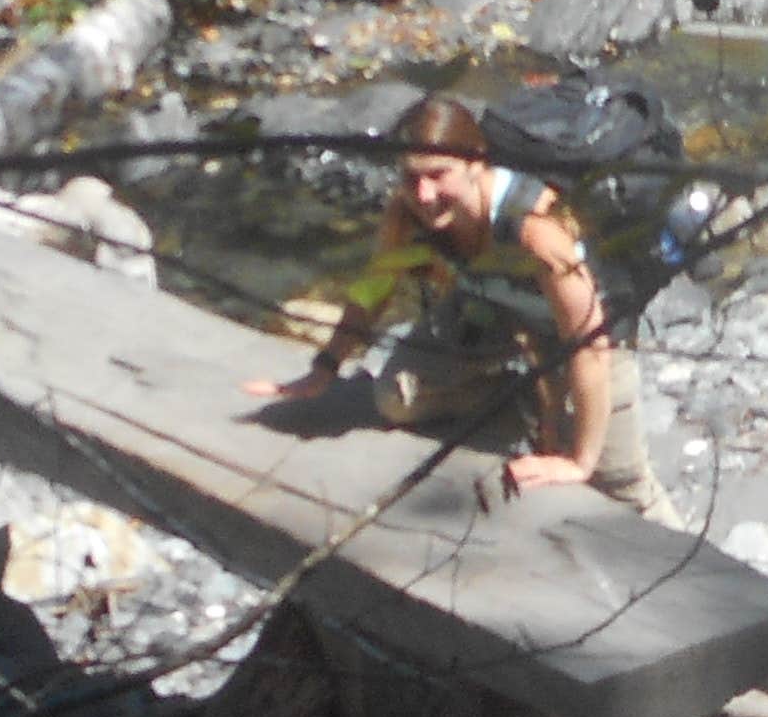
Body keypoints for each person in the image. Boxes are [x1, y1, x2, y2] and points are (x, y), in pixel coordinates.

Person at [244, 94, 669, 511]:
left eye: (438, 174)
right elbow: (375, 289)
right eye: (411, 178)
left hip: (589, 337)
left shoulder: (537, 229)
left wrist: (581, 461)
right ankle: (523, 402)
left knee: (622, 487)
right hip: (499, 312)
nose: (425, 195)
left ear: (475, 161)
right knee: (396, 396)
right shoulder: (408, 213)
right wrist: (325, 367)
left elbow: (590, 345)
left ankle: (699, 567)